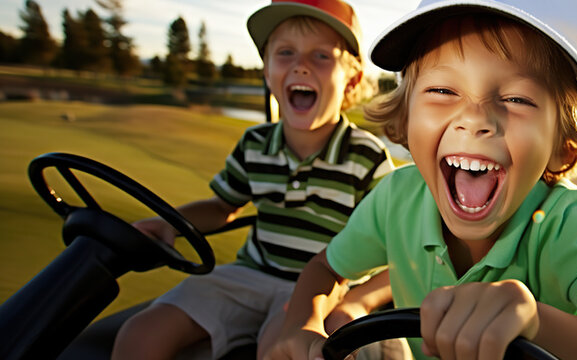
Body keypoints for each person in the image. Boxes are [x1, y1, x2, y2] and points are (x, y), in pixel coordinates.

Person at [263, 0, 577, 359]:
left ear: (561, 143)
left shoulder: (562, 222)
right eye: (443, 91)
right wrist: (303, 324)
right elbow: (325, 267)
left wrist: (536, 320)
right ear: (407, 117)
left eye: (517, 99)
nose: (476, 118)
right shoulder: (395, 198)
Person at [111, 0, 395, 359]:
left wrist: (356, 301)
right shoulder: (254, 144)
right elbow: (221, 207)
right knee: (141, 334)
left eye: (321, 56)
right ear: (267, 71)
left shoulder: (366, 158)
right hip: (250, 274)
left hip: (323, 289)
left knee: (281, 349)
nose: (301, 66)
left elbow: (397, 249)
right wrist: (172, 225)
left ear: (352, 79)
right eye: (285, 53)